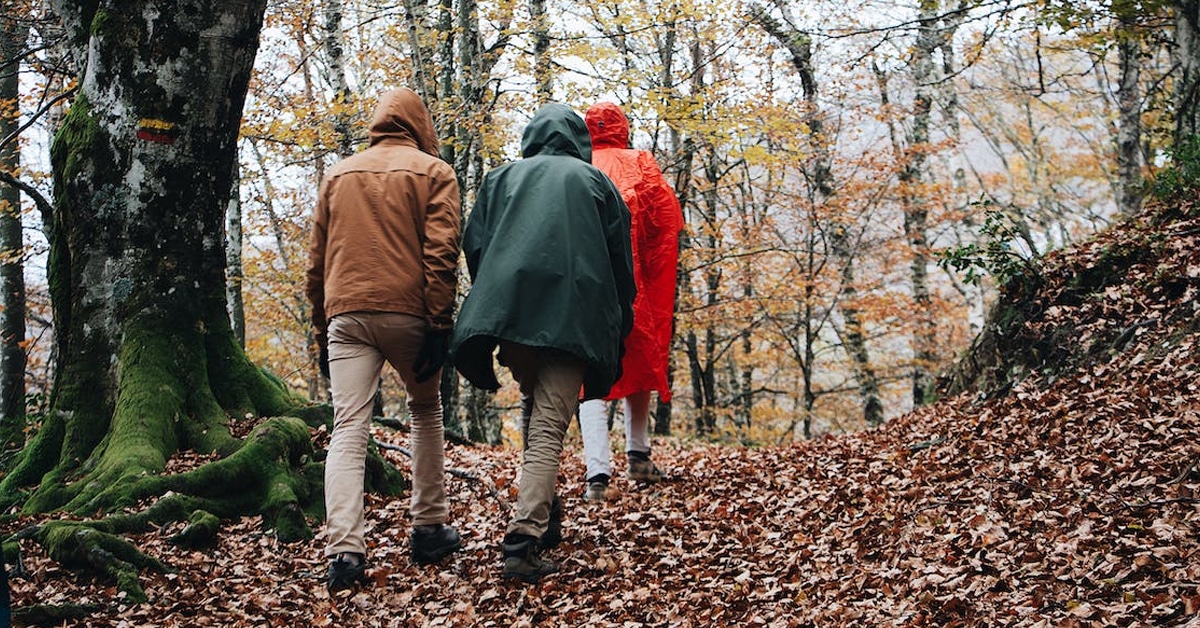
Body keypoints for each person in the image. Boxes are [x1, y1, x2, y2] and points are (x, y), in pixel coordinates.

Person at [451, 103, 635, 583]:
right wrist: (622, 318)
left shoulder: (501, 179)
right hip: (574, 319)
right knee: (550, 424)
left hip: (513, 320)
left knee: (538, 410)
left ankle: (546, 514)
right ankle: (522, 540)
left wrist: (498, 298)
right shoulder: (596, 183)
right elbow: (620, 262)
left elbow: (476, 246)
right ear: (578, 139)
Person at [305, 87, 463, 594]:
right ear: (421, 125)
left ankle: (345, 553)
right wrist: (440, 324)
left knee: (348, 427)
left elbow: (316, 262)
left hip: (346, 314)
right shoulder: (434, 172)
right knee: (425, 410)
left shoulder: (338, 174)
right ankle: (429, 527)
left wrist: (318, 326)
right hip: (411, 313)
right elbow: (441, 255)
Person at [577, 101, 684, 501]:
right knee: (641, 359)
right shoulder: (640, 162)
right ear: (622, 127)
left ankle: (597, 474)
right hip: (636, 284)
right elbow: (665, 221)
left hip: (587, 286)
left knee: (591, 373)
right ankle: (638, 455)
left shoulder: (577, 163)